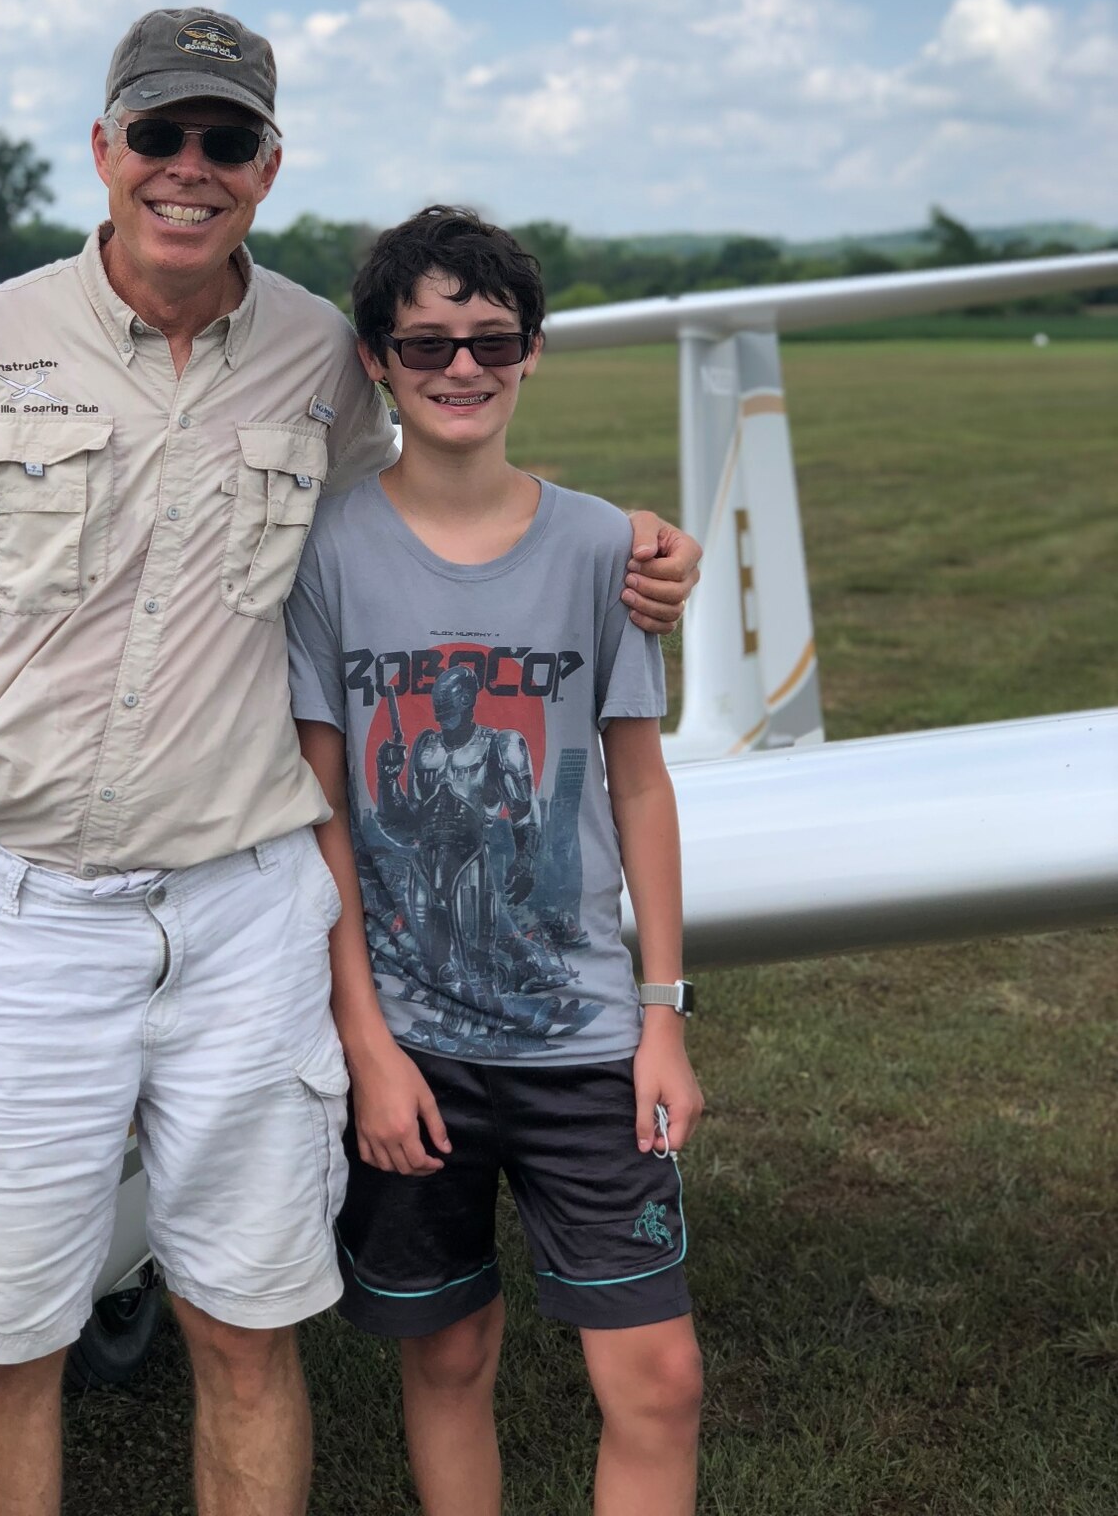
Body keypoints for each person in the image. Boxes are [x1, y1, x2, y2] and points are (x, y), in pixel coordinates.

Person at [0, 9, 703, 1516]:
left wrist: (630, 548)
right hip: (27, 914)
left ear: (267, 168)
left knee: (246, 1326)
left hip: (247, 919)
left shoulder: (321, 359)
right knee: (8, 1339)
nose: (189, 168)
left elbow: (448, 487)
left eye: (226, 142)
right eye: (158, 135)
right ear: (103, 152)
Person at [287, 206, 704, 1516]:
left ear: (532, 354)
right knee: (449, 1351)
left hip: (582, 1032)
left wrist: (661, 1018)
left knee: (659, 1378)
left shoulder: (600, 548)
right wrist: (367, 1044)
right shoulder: (330, 551)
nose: (460, 368)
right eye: (426, 344)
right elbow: (328, 813)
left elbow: (638, 780)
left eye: (491, 341)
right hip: (416, 1045)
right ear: (377, 360)